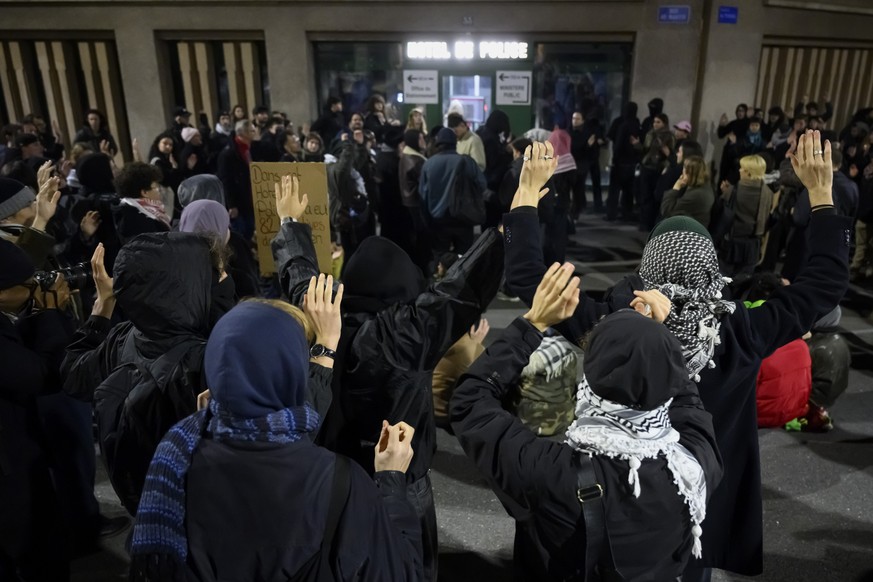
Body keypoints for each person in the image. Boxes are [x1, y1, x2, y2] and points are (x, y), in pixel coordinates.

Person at [501, 133, 849, 581]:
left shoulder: (614, 321)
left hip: (616, 497)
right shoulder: (740, 327)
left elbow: (531, 277)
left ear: (648, 266)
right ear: (709, 265)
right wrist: (822, 196)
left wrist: (525, 197)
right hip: (701, 495)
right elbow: (823, 285)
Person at [272, 173, 504, 582]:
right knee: (410, 560)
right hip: (400, 475)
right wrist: (512, 221)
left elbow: (301, 278)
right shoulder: (402, 337)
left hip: (333, 473)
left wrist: (290, 225)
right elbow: (457, 292)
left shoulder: (324, 319)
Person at [451, 264, 722, 581]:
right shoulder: (695, 462)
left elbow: (470, 401)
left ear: (589, 376)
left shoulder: (549, 472)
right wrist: (658, 339)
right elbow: (685, 396)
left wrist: (533, 323)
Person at [128, 299, 423, 581]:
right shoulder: (341, 484)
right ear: (292, 371)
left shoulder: (175, 454)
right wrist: (391, 478)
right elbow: (402, 572)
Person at [0, 239, 71, 581]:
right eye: (27, 285)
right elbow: (40, 376)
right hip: (10, 468)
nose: (35, 289)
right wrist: (49, 314)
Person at [419, 127, 486, 255]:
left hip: (438, 220)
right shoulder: (467, 162)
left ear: (438, 144)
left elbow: (423, 195)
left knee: (441, 257)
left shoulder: (428, 164)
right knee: (464, 258)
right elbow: (482, 184)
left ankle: (442, 274)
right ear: (455, 143)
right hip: (464, 218)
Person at [714, 154, 774, 276]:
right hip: (752, 247)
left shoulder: (733, 190)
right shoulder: (768, 193)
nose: (740, 170)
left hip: (731, 245)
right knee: (742, 284)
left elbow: (719, 210)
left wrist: (724, 193)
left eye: (742, 168)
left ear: (749, 172)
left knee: (722, 282)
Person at [217, 119, 257, 240]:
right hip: (237, 202)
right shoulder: (228, 153)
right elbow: (225, 180)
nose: (254, 132)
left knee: (250, 229)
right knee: (240, 233)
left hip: (249, 199)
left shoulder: (250, 149)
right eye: (251, 130)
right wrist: (231, 204)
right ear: (242, 133)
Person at [606, 102, 641, 221]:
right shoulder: (636, 123)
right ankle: (627, 213)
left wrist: (614, 159)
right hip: (632, 162)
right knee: (628, 190)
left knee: (614, 189)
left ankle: (611, 213)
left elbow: (616, 143)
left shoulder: (622, 124)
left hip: (620, 161)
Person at [661, 155, 715, 227]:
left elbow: (667, 210)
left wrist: (676, 187)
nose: (682, 175)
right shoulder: (704, 185)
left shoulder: (697, 195)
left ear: (691, 174)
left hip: (690, 230)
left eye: (684, 172)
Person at [570, 110, 604, 216]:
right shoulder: (568, 132)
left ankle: (576, 211)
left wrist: (588, 146)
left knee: (578, 188)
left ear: (583, 121)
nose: (574, 121)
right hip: (571, 164)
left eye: (577, 119)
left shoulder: (587, 133)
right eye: (573, 118)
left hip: (582, 164)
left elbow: (590, 151)